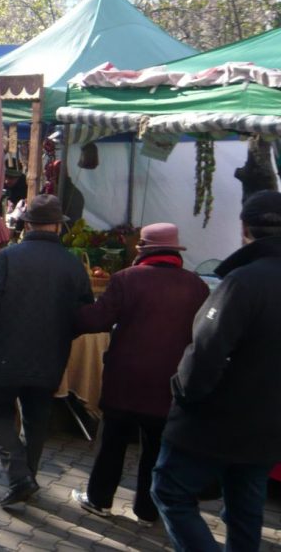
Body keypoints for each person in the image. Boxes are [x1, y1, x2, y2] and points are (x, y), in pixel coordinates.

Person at [151, 191, 281, 552]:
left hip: (220, 418)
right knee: (245, 506)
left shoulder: (244, 281)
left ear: (244, 229)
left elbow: (206, 351)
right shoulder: (246, 279)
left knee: (170, 492)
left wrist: (184, 392)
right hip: (269, 424)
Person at [70, 223, 209, 525]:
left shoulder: (126, 279)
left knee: (113, 444)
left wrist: (69, 310)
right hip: (170, 384)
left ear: (142, 250)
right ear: (175, 251)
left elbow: (96, 320)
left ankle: (99, 500)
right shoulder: (197, 286)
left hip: (125, 379)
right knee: (156, 450)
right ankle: (148, 510)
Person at [0, 194, 93, 508]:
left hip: (8, 352)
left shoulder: (7, 257)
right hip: (52, 355)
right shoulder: (72, 263)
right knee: (37, 417)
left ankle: (19, 476)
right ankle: (27, 478)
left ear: (27, 225)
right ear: (58, 225)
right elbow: (85, 314)